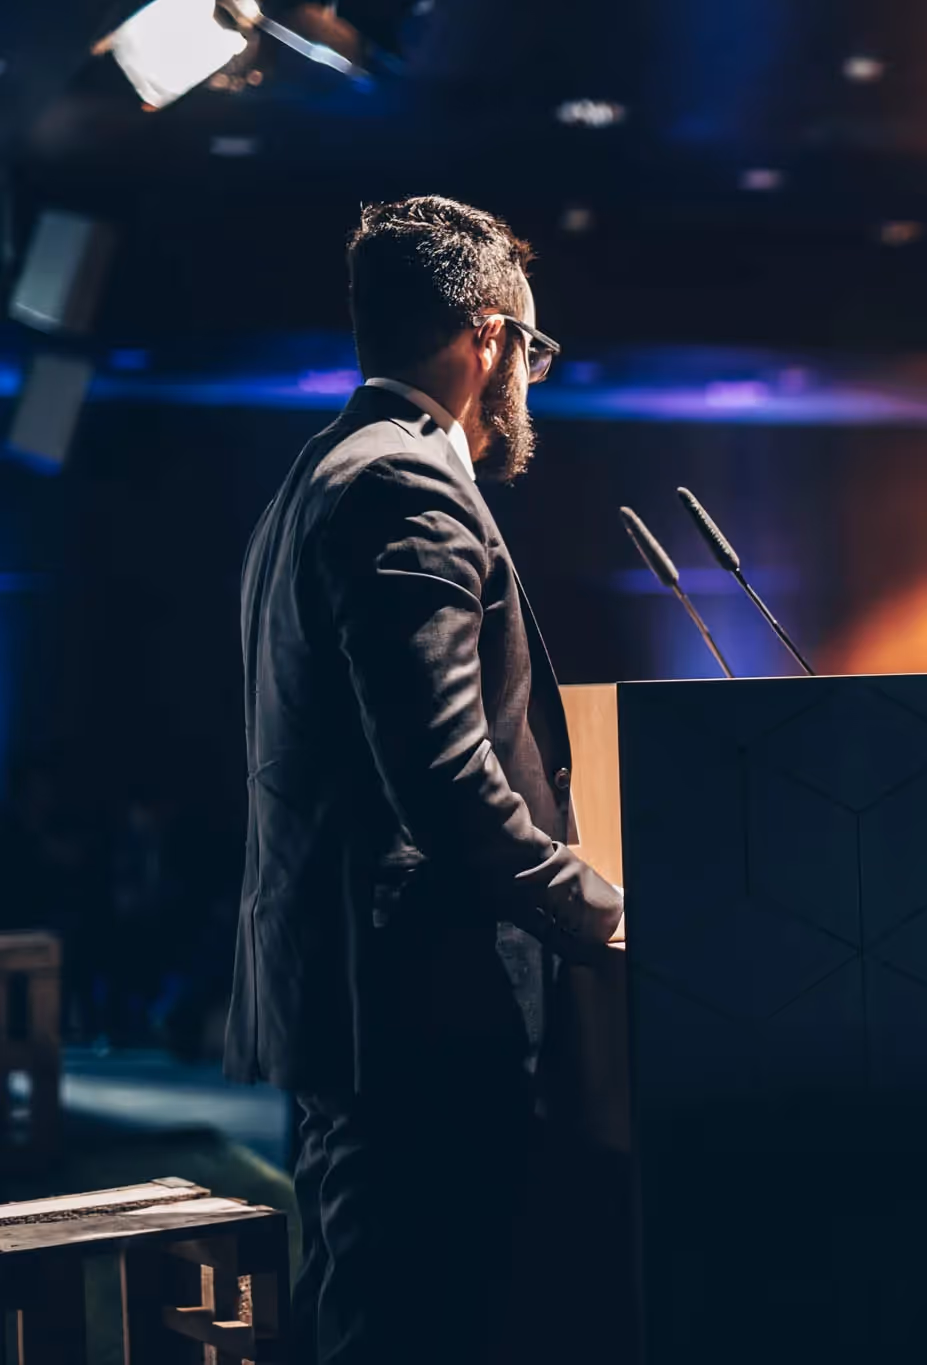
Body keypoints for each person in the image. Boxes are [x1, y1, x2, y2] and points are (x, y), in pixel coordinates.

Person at [230, 197, 623, 1365]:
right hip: (416, 1012)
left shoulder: (313, 475)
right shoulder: (405, 485)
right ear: (489, 338)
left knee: (371, 1310)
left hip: (355, 1001)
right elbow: (448, 782)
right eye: (532, 352)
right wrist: (601, 910)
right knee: (415, 1325)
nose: (529, 383)